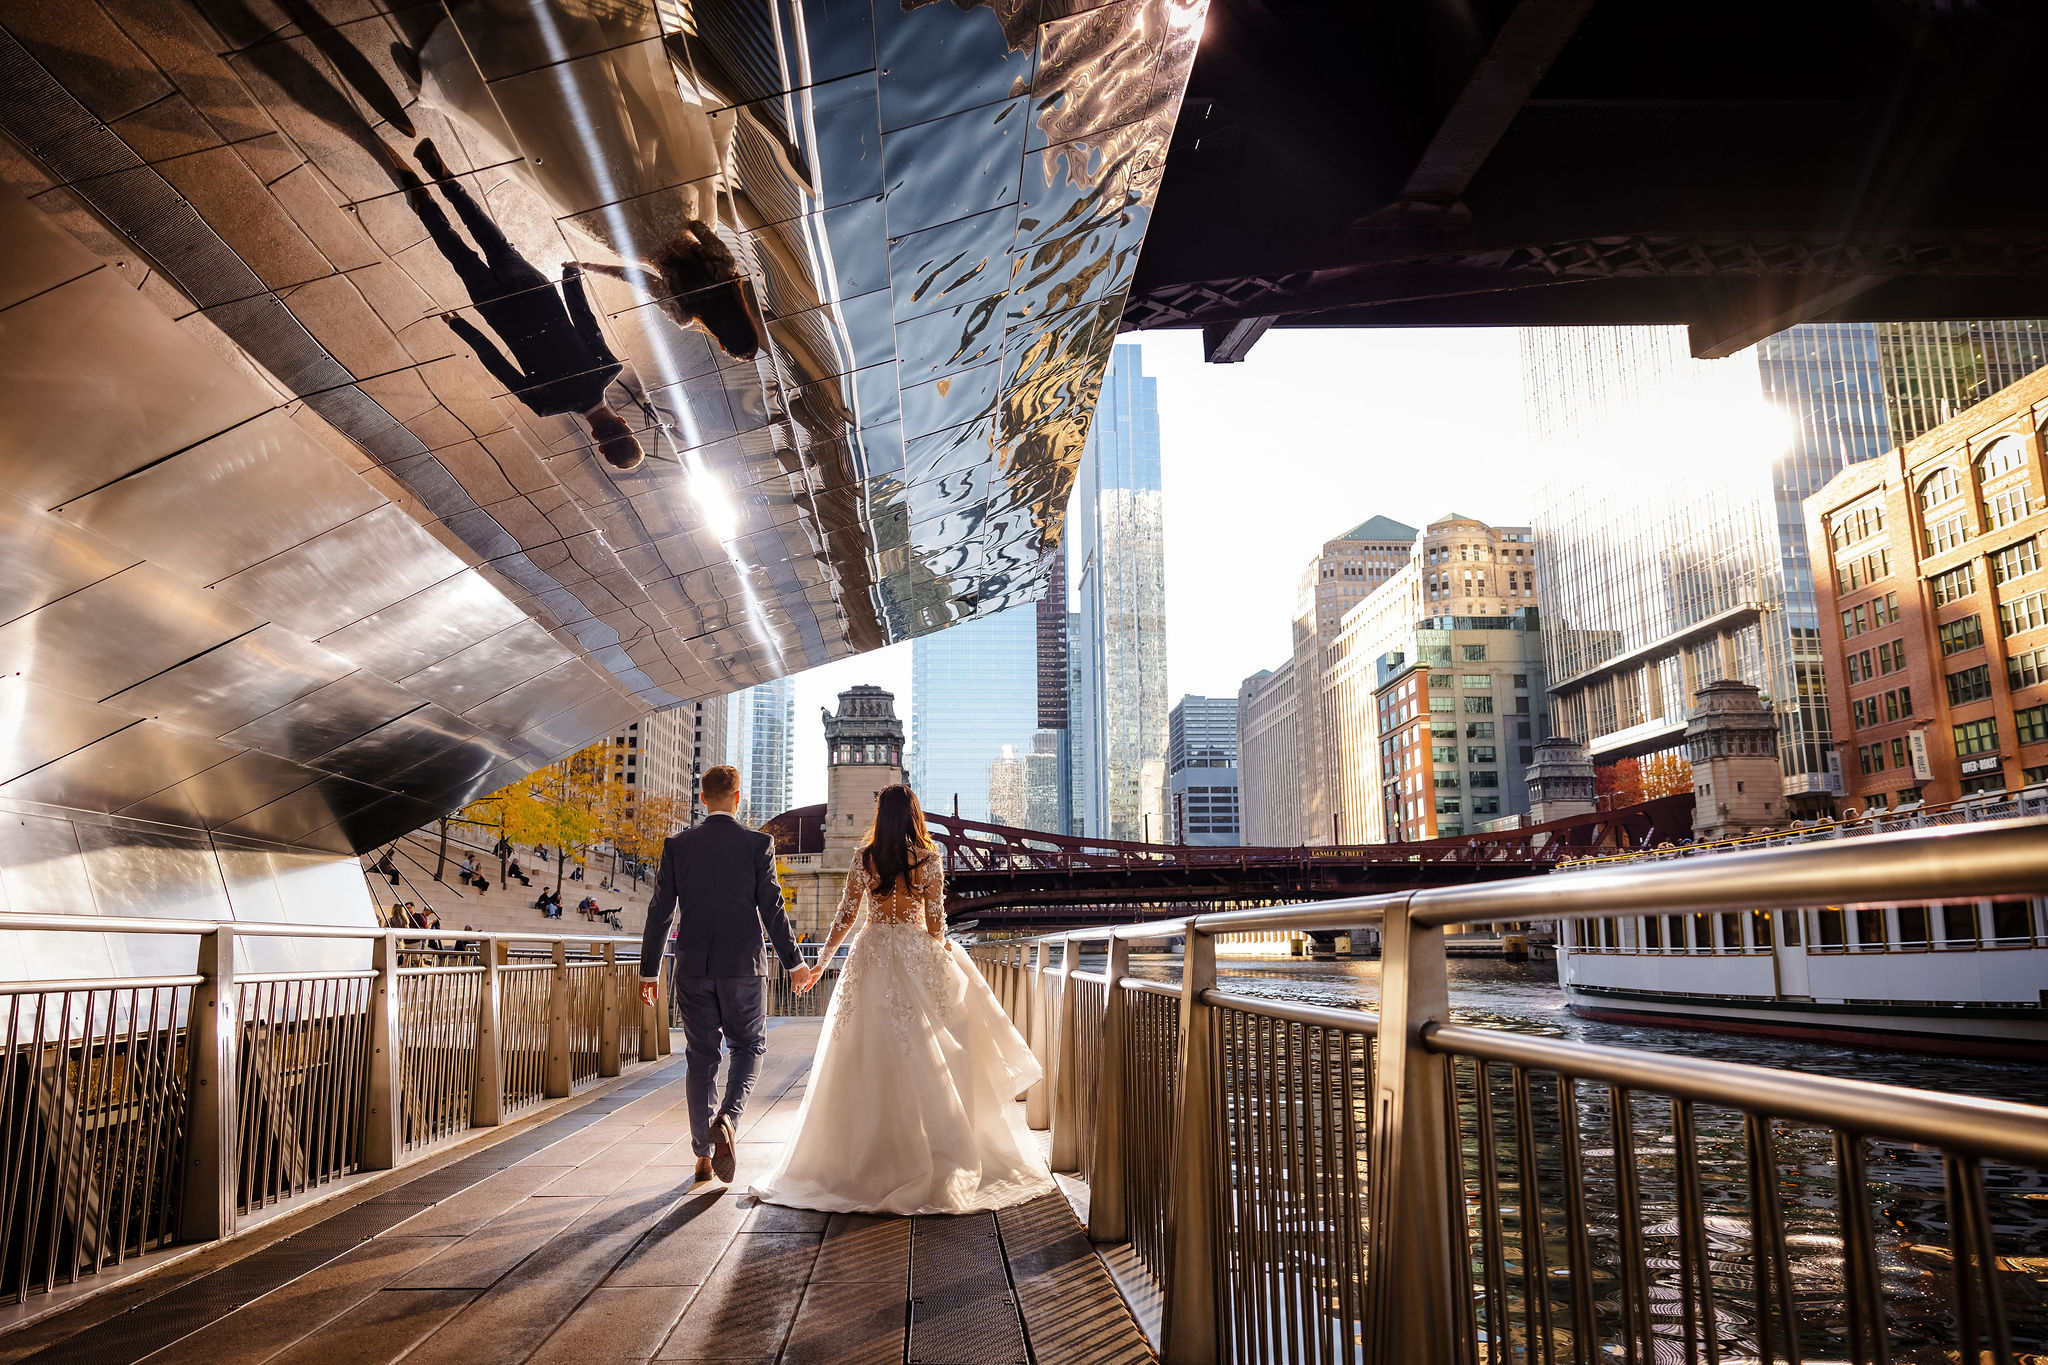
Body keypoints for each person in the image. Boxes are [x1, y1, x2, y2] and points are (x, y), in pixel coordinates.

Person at [751, 785, 1052, 1215]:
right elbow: (935, 924)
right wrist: (940, 949)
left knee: (863, 1050)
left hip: (870, 955)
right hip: (915, 954)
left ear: (880, 816)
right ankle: (935, 1145)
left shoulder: (864, 858)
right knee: (932, 1048)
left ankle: (864, 1156)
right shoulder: (929, 860)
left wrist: (820, 964)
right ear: (914, 815)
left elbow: (846, 917)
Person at [392, 140, 644, 471]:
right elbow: (496, 364)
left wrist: (571, 276)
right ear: (598, 441)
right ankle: (422, 200)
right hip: (501, 313)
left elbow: (585, 321)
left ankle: (444, 177)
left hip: (537, 296)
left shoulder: (608, 369)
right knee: (460, 256)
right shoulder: (545, 405)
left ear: (624, 423)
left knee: (495, 242)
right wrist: (460, 326)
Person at [639, 764, 801, 1185]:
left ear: (703, 799)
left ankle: (703, 1155)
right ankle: (728, 1117)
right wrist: (795, 963)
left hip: (693, 967)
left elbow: (660, 912)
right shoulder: (758, 844)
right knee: (748, 1046)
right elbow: (772, 908)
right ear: (738, 798)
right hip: (744, 966)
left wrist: (649, 972)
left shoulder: (677, 845)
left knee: (701, 1057)